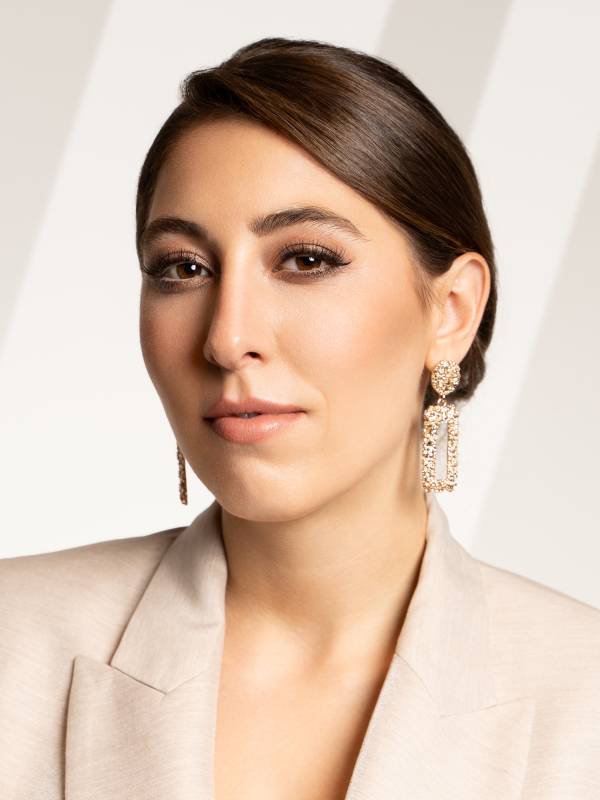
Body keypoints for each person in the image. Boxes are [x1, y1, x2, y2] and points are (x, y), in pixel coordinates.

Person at [1, 36, 599, 800]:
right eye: (183, 268)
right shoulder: (13, 648)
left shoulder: (583, 703)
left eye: (306, 260)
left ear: (451, 310)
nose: (226, 338)